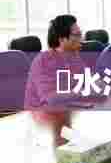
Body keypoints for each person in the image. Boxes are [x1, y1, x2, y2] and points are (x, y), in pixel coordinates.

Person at [24, 15, 88, 145]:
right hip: (42, 121)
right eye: (77, 35)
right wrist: (83, 93)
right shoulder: (43, 61)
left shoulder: (74, 57)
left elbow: (88, 81)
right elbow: (51, 98)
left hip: (66, 113)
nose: (82, 39)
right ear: (62, 39)